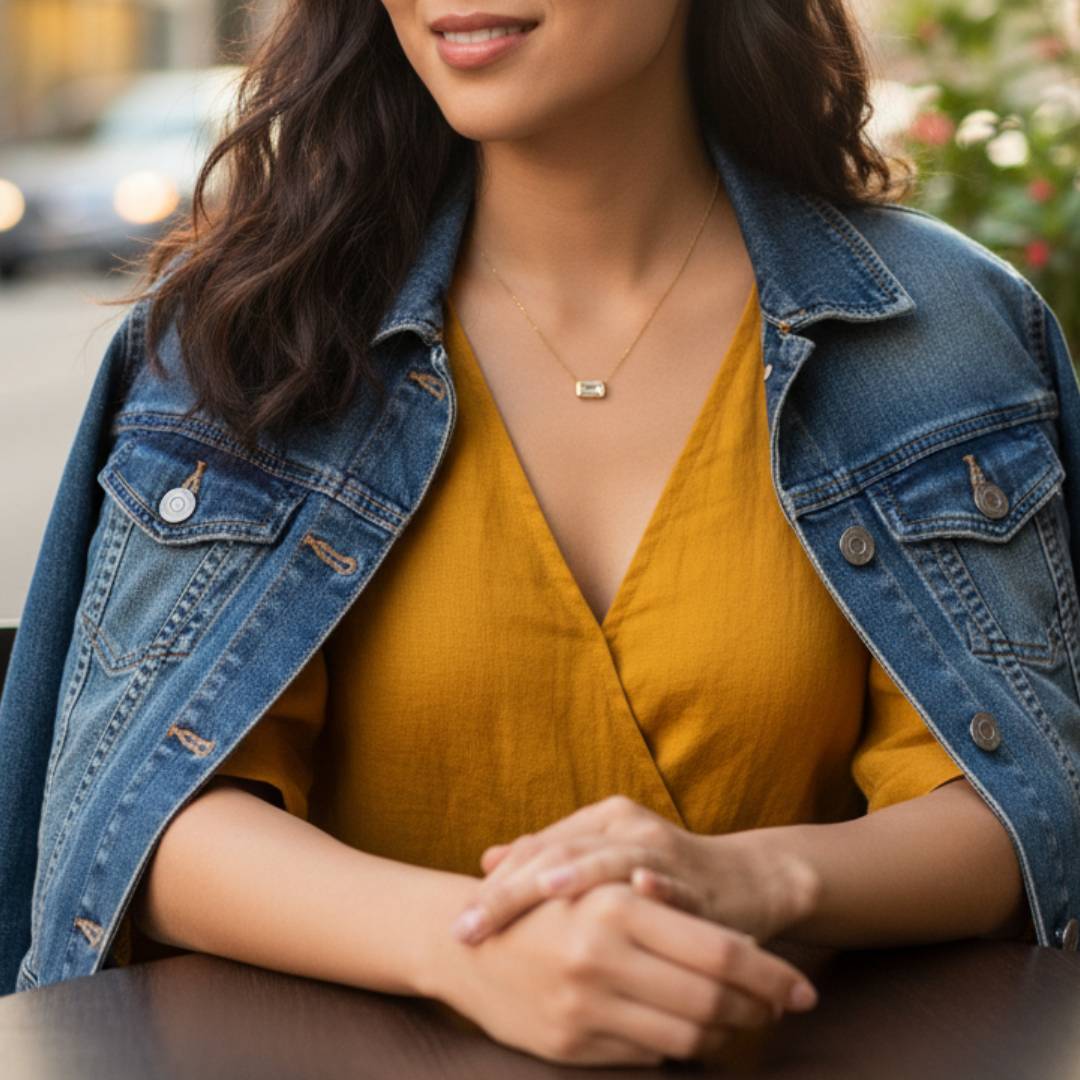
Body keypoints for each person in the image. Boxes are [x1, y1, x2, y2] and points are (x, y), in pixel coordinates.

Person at [3, 0, 1079, 1068]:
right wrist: (468, 949)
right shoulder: (250, 330)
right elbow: (141, 815)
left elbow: (1019, 807)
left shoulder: (942, 333)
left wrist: (749, 879)